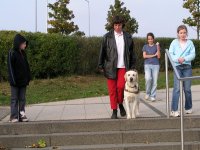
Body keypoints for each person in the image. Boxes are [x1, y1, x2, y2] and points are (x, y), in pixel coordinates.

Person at [98, 15, 136, 119]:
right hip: (110, 66)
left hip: (123, 66)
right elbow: (102, 51)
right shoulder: (107, 37)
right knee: (112, 90)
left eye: (119, 25)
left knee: (120, 87)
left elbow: (132, 53)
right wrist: (100, 64)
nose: (117, 27)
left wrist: (132, 66)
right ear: (113, 26)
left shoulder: (128, 37)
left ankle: (120, 104)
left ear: (122, 25)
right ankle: (114, 111)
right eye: (115, 25)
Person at [169, 25, 196, 117]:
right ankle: (174, 110)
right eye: (181, 33)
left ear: (186, 33)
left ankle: (188, 107)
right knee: (177, 88)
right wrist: (178, 59)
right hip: (177, 67)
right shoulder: (174, 42)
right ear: (178, 34)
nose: (183, 34)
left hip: (187, 67)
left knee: (187, 89)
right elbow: (171, 54)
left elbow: (193, 54)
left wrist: (184, 58)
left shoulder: (190, 43)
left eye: (184, 32)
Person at [7, 34, 31, 122]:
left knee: (22, 99)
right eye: (24, 44)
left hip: (23, 81)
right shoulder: (12, 52)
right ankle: (13, 116)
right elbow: (10, 68)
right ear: (19, 43)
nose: (25, 45)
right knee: (14, 99)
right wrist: (13, 81)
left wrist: (28, 77)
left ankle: (21, 115)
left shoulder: (23, 53)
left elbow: (26, 66)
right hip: (15, 82)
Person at [142, 32, 160, 102]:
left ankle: (153, 96)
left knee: (155, 82)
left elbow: (158, 56)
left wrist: (158, 47)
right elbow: (144, 56)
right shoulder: (145, 46)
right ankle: (147, 93)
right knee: (148, 79)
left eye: (151, 39)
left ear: (153, 39)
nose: (150, 40)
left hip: (156, 65)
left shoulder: (156, 46)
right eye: (149, 39)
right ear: (147, 40)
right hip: (147, 65)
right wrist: (153, 55)